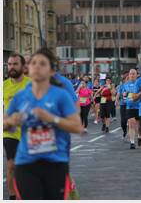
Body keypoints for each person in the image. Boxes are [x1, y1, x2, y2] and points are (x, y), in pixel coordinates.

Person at [3, 48, 83, 200]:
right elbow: (6, 123)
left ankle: (71, 191)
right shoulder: (21, 95)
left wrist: (52, 119)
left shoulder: (62, 90)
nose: (36, 67)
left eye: (42, 64)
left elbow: (77, 124)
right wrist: (10, 121)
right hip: (26, 161)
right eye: (33, 63)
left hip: (55, 157)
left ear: (51, 70)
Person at [3, 53, 31, 200]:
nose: (11, 67)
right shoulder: (4, 86)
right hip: (10, 132)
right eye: (9, 64)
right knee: (11, 165)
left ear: (22, 66)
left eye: (15, 64)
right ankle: (13, 198)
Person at [125, 69, 141, 149]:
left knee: (139, 125)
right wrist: (124, 94)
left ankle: (139, 136)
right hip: (129, 107)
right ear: (129, 75)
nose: (132, 75)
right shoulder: (126, 84)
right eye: (131, 74)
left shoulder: (140, 83)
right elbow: (123, 94)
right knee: (131, 123)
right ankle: (132, 142)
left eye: (134, 74)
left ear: (136, 75)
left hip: (139, 106)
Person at [115, 73, 129, 139]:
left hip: (131, 105)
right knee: (123, 121)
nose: (128, 79)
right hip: (123, 104)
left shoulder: (134, 85)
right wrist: (116, 100)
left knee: (131, 120)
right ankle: (125, 131)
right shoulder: (121, 86)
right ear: (124, 80)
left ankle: (132, 134)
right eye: (127, 78)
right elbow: (118, 94)